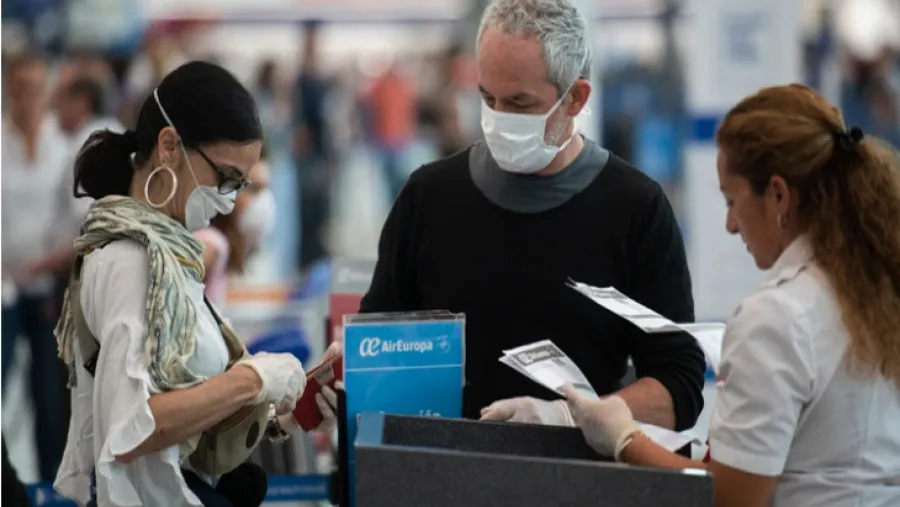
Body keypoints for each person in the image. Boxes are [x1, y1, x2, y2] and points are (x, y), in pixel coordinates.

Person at [361, 0, 706, 430]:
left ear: (575, 98)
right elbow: (376, 349)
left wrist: (569, 416)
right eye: (488, 97)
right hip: (444, 478)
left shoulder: (634, 209)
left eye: (520, 104)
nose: (499, 119)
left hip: (581, 483)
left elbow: (679, 384)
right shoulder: (429, 198)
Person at [562, 84, 900, 507]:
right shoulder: (878, 286)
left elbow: (731, 497)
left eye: (731, 200)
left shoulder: (779, 316)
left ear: (778, 194)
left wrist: (622, 438)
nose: (731, 225)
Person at [52, 61, 322, 507]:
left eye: (243, 183)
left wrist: (279, 417)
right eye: (226, 177)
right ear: (169, 146)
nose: (232, 198)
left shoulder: (169, 255)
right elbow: (132, 428)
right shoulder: (132, 258)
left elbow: (185, 427)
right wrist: (251, 380)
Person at [1, 51, 72, 481]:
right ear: (9, 90)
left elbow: (72, 220)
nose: (27, 98)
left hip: (48, 287)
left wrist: (51, 264)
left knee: (49, 398)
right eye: (19, 88)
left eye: (35, 89)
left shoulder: (61, 149)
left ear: (46, 92)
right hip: (5, 288)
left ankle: (51, 485)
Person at [195, 152, 276, 307]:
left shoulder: (225, 248)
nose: (263, 201)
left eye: (266, 189)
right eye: (253, 189)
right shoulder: (211, 245)